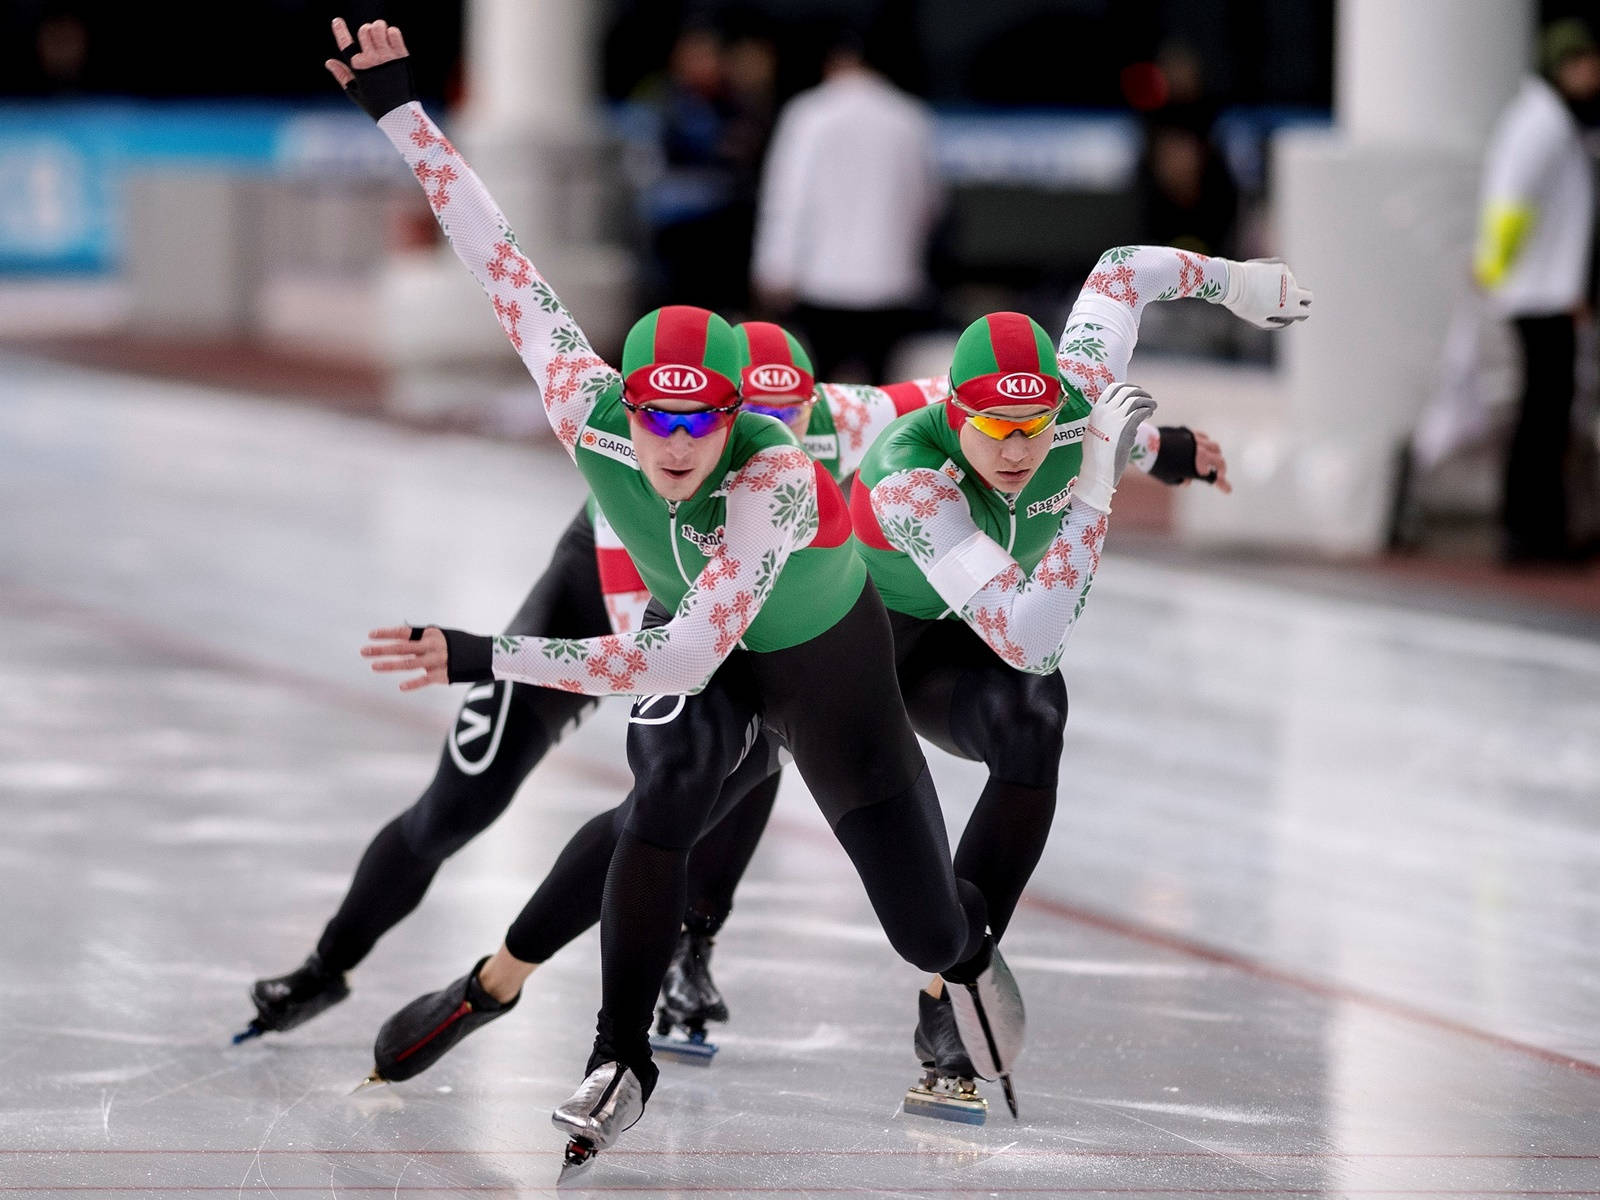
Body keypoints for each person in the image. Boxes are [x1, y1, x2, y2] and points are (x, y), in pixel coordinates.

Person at [328, 18, 1044, 1164]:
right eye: (656, 418)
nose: (672, 445)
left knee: (927, 925)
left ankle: (960, 961)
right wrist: (404, 112)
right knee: (660, 795)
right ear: (626, 404)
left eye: (697, 421)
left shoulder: (777, 475)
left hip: (825, 675)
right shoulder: (584, 403)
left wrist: (485, 653)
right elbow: (496, 254)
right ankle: (606, 1046)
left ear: (740, 417)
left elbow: (677, 653)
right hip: (706, 657)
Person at [238, 323, 933, 1047]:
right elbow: (652, 643)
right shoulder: (646, 464)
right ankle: (328, 963)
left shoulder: (839, 426)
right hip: (607, 605)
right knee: (457, 806)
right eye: (682, 418)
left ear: (813, 409)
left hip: (712, 617)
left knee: (746, 757)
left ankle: (692, 947)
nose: (731, 443)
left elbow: (967, 400)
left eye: (780, 418)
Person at [1473, 18, 1600, 565]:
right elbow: (1510, 202)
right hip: (1538, 293)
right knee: (1542, 413)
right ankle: (1530, 530)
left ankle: (1537, 527)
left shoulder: (1550, 121)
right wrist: (1498, 269)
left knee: (1546, 411)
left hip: (1543, 288)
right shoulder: (1543, 125)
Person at [750, 27, 940, 381]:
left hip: (824, 280)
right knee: (882, 387)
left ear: (836, 62)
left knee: (822, 383)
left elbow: (788, 197)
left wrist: (774, 265)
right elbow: (926, 204)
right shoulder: (910, 119)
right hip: (890, 279)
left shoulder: (809, 114)